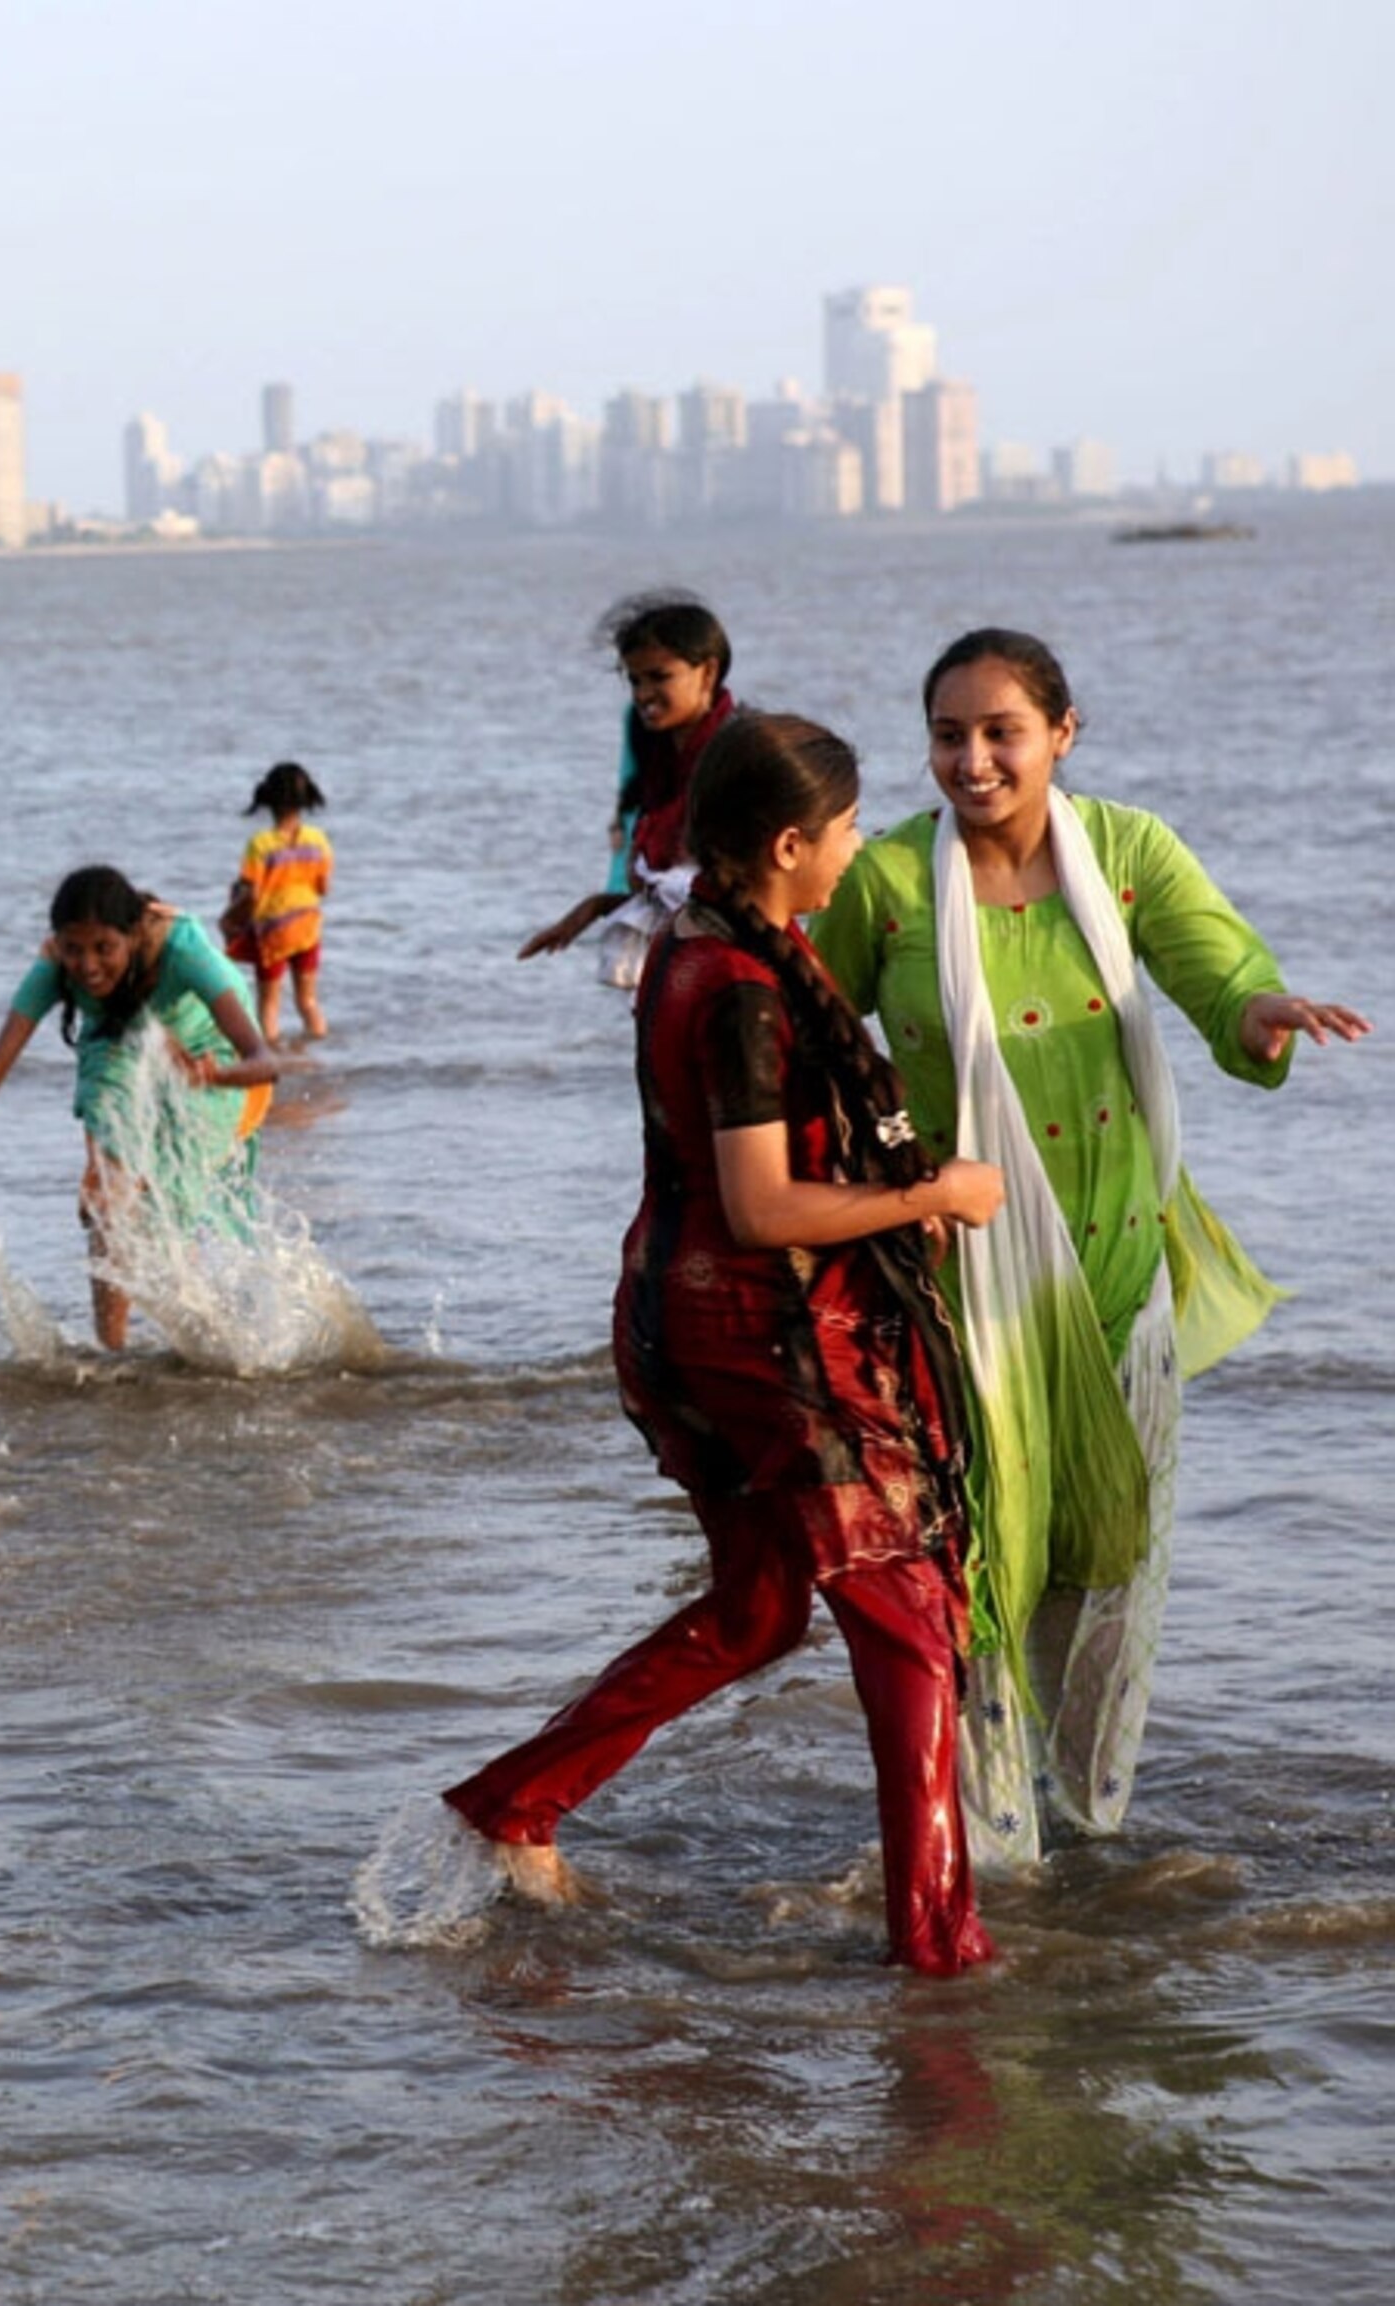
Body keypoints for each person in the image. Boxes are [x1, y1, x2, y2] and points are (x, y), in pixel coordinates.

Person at [444, 712, 1007, 1974]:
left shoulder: (710, 942)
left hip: (687, 1308)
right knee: (909, 1615)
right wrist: (936, 1194)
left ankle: (511, 1804)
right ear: (792, 842)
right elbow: (763, 1207)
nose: (862, 849)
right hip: (767, 1334)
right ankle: (940, 1942)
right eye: (851, 828)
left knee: (760, 1610)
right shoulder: (742, 989)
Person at [812, 629, 1369, 1872]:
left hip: (1121, 1272)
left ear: (1064, 732)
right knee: (987, 1564)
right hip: (959, 1287)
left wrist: (1258, 1014)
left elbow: (1218, 971)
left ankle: (1085, 1825)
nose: (973, 758)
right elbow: (800, 1015)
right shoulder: (895, 879)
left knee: (1109, 1566)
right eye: (948, 734)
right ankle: (990, 1842)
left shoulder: (1124, 853)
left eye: (1001, 730)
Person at [0, 866, 279, 1351]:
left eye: (104, 949)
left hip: (208, 1055)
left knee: (168, 1205)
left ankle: (203, 1345)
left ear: (134, 936)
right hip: (117, 1039)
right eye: (73, 949)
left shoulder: (182, 951)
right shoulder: (56, 969)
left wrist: (210, 1074)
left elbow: (265, 1062)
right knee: (108, 1200)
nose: (88, 965)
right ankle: (112, 1349)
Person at [518, 592, 737, 989]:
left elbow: (738, 897)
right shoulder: (658, 754)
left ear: (707, 672)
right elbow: (673, 893)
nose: (642, 695)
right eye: (634, 680)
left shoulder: (740, 758)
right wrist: (593, 909)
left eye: (659, 677)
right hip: (682, 968)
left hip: (726, 973)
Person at [238, 761, 333, 1042]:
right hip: (307, 928)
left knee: (269, 1004)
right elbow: (323, 887)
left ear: (267, 799)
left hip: (273, 932)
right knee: (308, 1002)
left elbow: (251, 895)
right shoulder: (318, 840)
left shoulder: (260, 844)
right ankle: (320, 1053)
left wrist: (234, 917)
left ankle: (270, 1060)